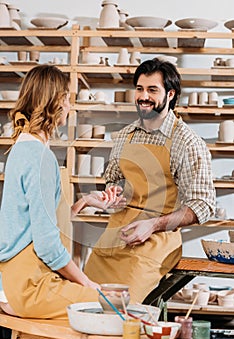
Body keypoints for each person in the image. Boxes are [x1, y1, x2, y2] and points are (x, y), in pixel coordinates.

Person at [84, 58, 216, 303]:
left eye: (152, 90)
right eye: (140, 89)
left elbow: (203, 205)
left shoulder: (187, 142)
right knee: (82, 301)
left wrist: (153, 225)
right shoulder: (125, 135)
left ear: (171, 94)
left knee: (122, 312)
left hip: (155, 241)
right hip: (115, 235)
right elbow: (114, 179)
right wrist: (112, 193)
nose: (144, 96)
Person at [0, 64, 120, 319]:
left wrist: (85, 201)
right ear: (53, 102)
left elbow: (31, 221)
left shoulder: (22, 147)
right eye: (66, 97)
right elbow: (46, 245)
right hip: (29, 286)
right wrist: (85, 282)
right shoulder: (40, 158)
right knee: (114, 306)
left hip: (11, 281)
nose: (69, 104)